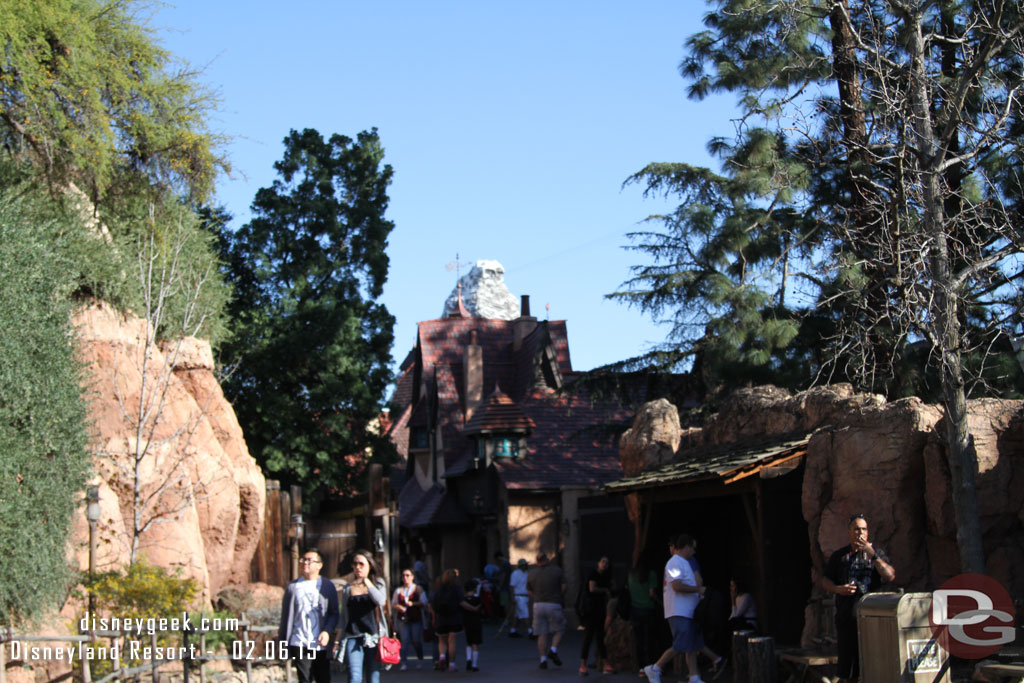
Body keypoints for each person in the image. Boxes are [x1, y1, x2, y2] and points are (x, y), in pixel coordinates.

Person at [822, 514, 895, 683]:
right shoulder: (839, 556)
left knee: (875, 665)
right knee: (849, 672)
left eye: (864, 529)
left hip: (873, 622)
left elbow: (890, 575)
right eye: (856, 529)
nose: (860, 533)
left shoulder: (877, 554)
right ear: (849, 532)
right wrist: (838, 589)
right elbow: (825, 580)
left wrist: (873, 555)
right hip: (847, 618)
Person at [642, 534, 707, 683]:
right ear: (687, 547)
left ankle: (694, 676)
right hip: (679, 611)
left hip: (687, 611)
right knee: (681, 644)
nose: (694, 552)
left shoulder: (683, 562)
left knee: (691, 644)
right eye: (693, 548)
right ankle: (655, 668)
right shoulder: (674, 563)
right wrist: (697, 590)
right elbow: (676, 585)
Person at [278, 548, 339, 683]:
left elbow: (334, 613)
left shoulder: (327, 586)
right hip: (299, 641)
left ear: (319, 565)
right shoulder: (293, 587)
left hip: (319, 643)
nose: (305, 563)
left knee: (323, 678)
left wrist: (327, 631)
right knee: (305, 679)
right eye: (303, 560)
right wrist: (282, 644)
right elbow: (286, 618)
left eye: (309, 560)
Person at [335, 549, 389, 683]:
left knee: (373, 677)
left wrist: (367, 582)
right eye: (354, 564)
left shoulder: (378, 584)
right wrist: (337, 640)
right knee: (354, 677)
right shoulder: (348, 588)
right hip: (352, 636)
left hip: (373, 637)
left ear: (370, 565)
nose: (357, 567)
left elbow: (381, 601)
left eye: (361, 564)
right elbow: (344, 617)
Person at [685, 542, 726, 677]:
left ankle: (657, 667)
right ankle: (694, 674)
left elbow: (698, 582)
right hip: (688, 605)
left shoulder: (689, 561)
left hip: (692, 605)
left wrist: (691, 589)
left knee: (685, 640)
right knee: (689, 640)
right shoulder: (680, 563)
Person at [527, 551, 567, 670]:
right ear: (547, 560)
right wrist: (559, 596)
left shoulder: (531, 573)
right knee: (559, 629)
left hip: (538, 605)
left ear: (537, 561)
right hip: (553, 603)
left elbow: (529, 591)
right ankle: (553, 649)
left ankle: (542, 659)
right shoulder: (557, 571)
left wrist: (536, 598)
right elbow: (564, 586)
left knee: (542, 633)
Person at [579, 556, 614, 676]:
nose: (605, 564)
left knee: (600, 638)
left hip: (600, 610)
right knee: (588, 638)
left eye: (607, 562)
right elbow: (592, 588)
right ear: (598, 563)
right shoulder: (593, 574)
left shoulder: (606, 576)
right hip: (590, 611)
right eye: (603, 561)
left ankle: (605, 664)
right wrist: (605, 590)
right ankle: (583, 665)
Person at [392, 567, 428, 670]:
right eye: (403, 575)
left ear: (412, 577)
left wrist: (413, 604)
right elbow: (393, 604)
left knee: (416, 640)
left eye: (407, 575)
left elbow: (424, 602)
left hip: (415, 619)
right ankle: (404, 662)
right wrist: (399, 607)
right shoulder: (398, 590)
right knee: (404, 641)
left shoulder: (418, 589)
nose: (405, 578)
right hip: (403, 619)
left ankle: (420, 659)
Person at [628, 559, 659, 674]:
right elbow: (652, 593)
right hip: (648, 609)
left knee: (639, 639)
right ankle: (651, 665)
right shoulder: (651, 574)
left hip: (635, 609)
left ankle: (641, 666)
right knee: (650, 639)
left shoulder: (631, 574)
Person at [431, 569, 465, 672]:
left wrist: (434, 617)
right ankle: (452, 664)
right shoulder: (457, 588)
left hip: (441, 618)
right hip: (454, 618)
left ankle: (441, 657)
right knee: (452, 641)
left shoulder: (439, 589)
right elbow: (461, 602)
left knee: (442, 641)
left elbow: (433, 604)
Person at [462, 578, 484, 671]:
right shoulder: (477, 599)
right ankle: (474, 664)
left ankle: (468, 659)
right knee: (475, 643)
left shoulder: (463, 599)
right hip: (476, 622)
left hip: (467, 622)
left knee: (469, 642)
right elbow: (482, 609)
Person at [508, 558, 532, 638]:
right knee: (526, 614)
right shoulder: (515, 574)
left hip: (525, 596)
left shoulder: (526, 573)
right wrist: (512, 597)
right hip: (519, 597)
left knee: (518, 615)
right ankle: (530, 631)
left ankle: (513, 630)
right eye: (524, 565)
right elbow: (512, 586)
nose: (526, 566)